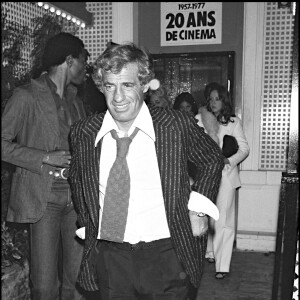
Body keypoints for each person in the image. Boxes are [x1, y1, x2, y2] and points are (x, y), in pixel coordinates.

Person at [69, 42, 224, 299]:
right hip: (111, 255)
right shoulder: (84, 132)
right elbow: (78, 179)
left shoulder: (174, 125)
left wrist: (198, 208)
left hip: (166, 253)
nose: (117, 97)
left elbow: (212, 158)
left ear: (143, 85)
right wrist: (88, 223)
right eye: (110, 86)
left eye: (127, 85)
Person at [1, 32, 88, 299]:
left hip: (76, 199)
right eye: (83, 62)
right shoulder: (26, 96)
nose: (85, 69)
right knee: (44, 286)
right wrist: (45, 156)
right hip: (44, 198)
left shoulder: (77, 102)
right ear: (69, 60)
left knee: (76, 283)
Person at [195, 83, 250, 279]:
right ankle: (209, 252)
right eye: (210, 99)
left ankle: (222, 265)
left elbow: (244, 149)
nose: (213, 102)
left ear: (224, 100)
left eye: (217, 98)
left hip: (226, 176)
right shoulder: (199, 120)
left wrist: (229, 160)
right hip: (204, 176)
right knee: (204, 216)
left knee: (223, 221)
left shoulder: (233, 122)